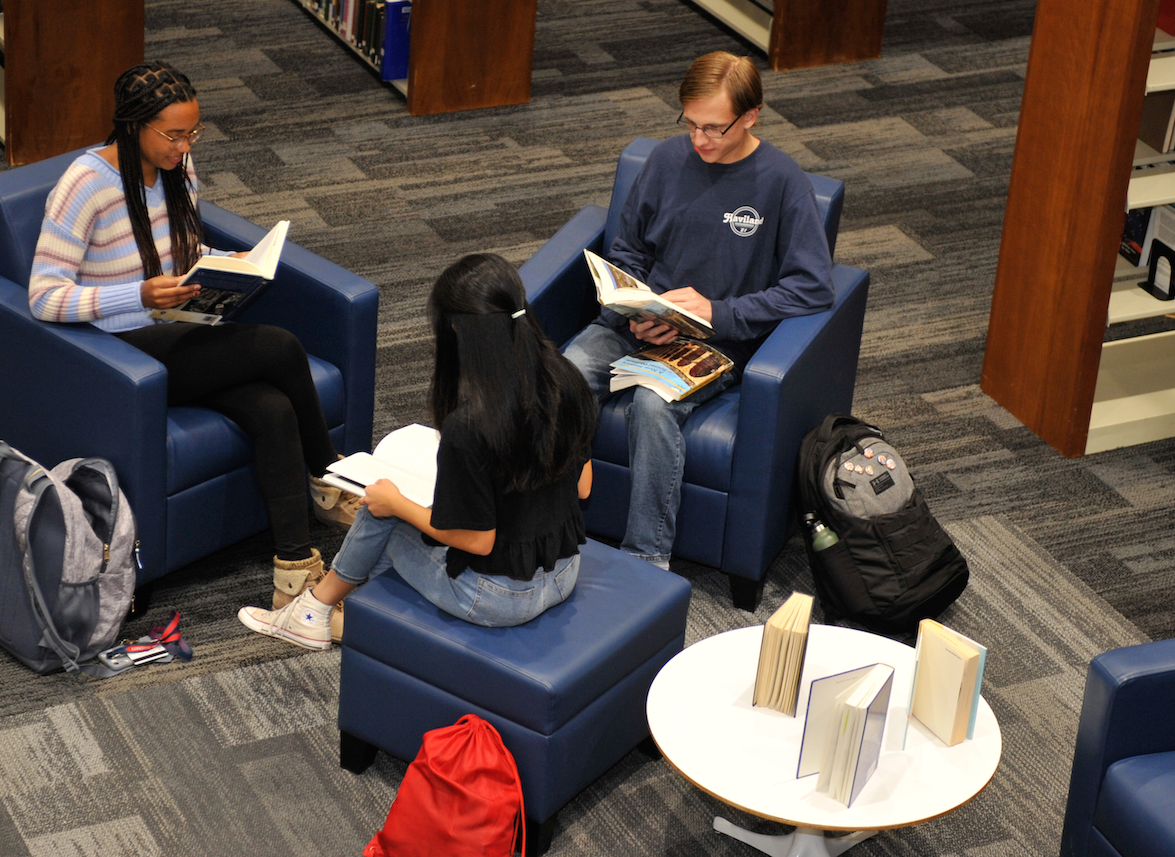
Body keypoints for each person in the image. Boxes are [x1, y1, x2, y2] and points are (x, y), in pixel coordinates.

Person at [29, 61, 355, 620]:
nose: (184, 147)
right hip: (121, 351)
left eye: (191, 134)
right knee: (278, 347)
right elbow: (43, 296)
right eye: (173, 135)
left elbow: (180, 245)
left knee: (274, 408)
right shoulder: (84, 185)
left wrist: (222, 268)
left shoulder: (177, 169)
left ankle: (294, 577)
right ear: (134, 125)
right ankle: (327, 475)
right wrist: (137, 296)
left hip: (177, 331)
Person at [238, 252, 597, 649]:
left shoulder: (470, 423)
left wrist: (396, 504)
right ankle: (334, 612)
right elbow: (582, 488)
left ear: (457, 329)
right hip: (564, 573)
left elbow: (479, 542)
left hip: (499, 599)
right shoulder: (566, 379)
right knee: (396, 507)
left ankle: (311, 612)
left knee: (379, 513)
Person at [562, 52, 835, 569]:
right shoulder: (667, 161)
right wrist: (634, 309)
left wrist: (719, 312)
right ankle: (546, 521)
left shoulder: (782, 183)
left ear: (751, 116)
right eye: (691, 124)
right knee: (563, 377)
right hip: (639, 323)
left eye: (714, 127)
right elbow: (628, 251)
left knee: (650, 404)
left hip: (715, 340)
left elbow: (812, 288)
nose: (700, 140)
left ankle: (647, 561)